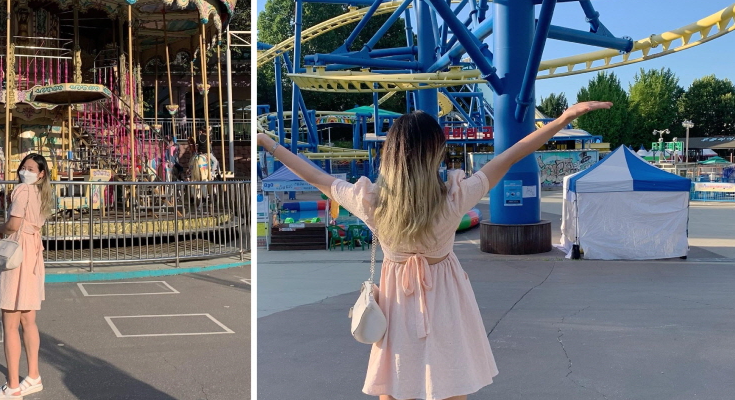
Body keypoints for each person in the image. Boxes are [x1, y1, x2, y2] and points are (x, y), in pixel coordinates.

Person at [256, 101, 611, 400]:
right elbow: (509, 156)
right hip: (446, 300)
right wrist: (561, 121)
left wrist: (270, 145)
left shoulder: (372, 201)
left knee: (394, 382)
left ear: (391, 153)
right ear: (435, 152)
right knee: (452, 379)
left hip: (397, 303)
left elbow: (317, 177)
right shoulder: (455, 197)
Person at [0, 153, 54, 398]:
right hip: (33, 253)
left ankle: (13, 386)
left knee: (10, 323)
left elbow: (14, 224)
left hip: (19, 253)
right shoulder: (42, 193)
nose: (24, 171)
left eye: (30, 168)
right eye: (23, 167)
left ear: (41, 173)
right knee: (28, 320)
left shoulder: (23, 190)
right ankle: (33, 375)